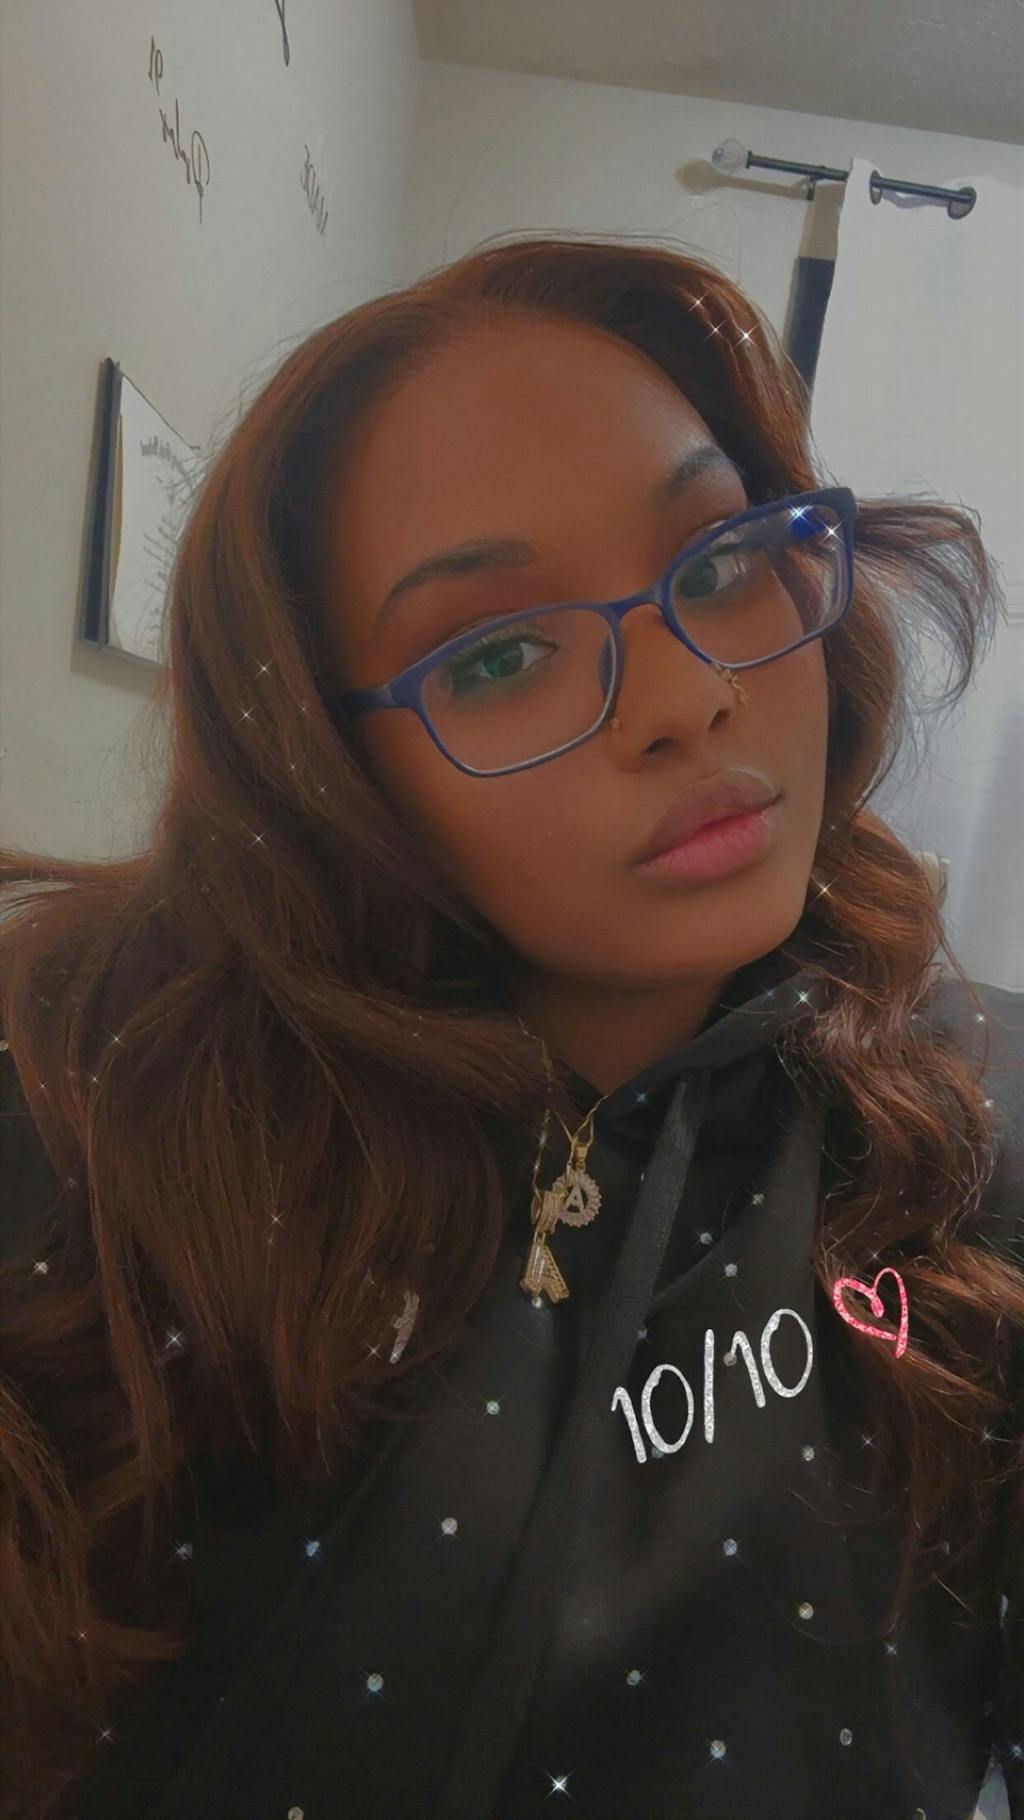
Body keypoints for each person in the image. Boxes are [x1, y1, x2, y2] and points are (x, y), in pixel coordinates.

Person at [1, 234, 1021, 1820]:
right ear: (330, 771)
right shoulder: (90, 1116)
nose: (687, 698)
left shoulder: (969, 1142)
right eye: (497, 655)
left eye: (722, 559)